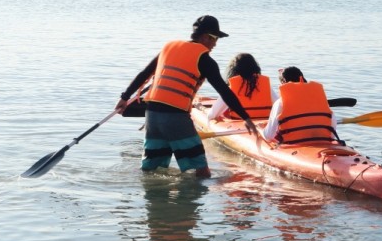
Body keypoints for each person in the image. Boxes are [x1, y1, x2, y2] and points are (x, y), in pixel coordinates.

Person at [115, 15, 259, 178]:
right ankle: (194, 199)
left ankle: (154, 202)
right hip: (176, 117)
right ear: (205, 36)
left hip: (152, 116)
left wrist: (125, 97)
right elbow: (224, 91)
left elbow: (144, 74)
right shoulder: (205, 60)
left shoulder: (168, 48)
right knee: (202, 172)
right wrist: (246, 118)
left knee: (151, 170)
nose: (215, 44)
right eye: (215, 38)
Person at [261, 66, 341, 145]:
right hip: (322, 142)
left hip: (293, 145)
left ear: (284, 83)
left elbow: (268, 136)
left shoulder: (280, 103)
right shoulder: (320, 99)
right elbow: (332, 127)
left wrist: (260, 130)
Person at [207, 52, 275, 121]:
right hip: (263, 125)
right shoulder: (266, 86)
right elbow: (280, 106)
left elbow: (212, 115)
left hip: (240, 127)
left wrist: (201, 108)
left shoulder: (231, 88)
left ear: (234, 70)